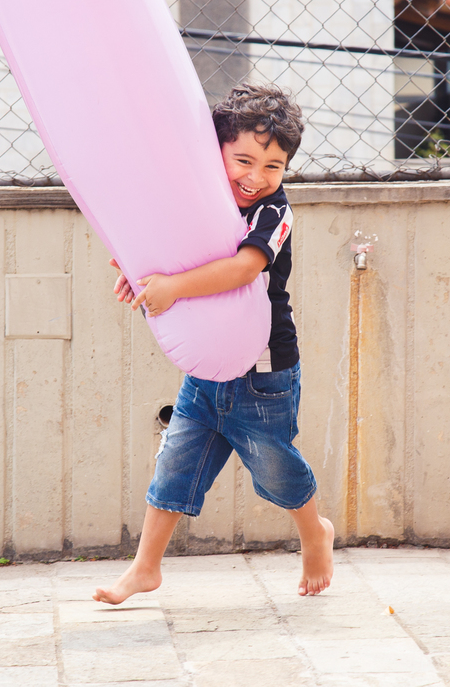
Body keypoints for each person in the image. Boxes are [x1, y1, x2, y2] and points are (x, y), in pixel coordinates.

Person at [94, 83, 334, 604]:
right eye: (243, 160)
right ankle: (145, 568)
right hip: (207, 369)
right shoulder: (199, 202)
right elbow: (167, 249)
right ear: (217, 152)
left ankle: (315, 531)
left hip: (264, 370)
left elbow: (243, 267)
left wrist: (173, 287)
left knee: (275, 465)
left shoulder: (274, 213)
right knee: (175, 465)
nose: (256, 177)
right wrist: (136, 273)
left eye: (273, 166)